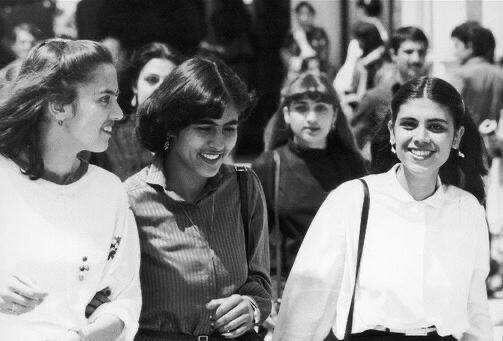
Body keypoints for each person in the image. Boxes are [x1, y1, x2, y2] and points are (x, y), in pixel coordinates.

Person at [273, 77, 491, 341]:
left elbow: (476, 311)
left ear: (456, 136)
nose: (421, 137)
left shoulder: (467, 210)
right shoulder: (352, 200)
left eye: (436, 127)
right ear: (391, 132)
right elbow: (305, 307)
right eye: (409, 124)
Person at [0, 39, 141, 340]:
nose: (118, 113)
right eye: (104, 99)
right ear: (58, 106)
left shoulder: (109, 191)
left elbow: (124, 300)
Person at [125, 56, 271, 340]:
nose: (218, 142)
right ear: (172, 126)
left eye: (229, 127)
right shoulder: (130, 200)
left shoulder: (245, 186)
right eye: (204, 127)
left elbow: (261, 281)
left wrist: (252, 306)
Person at [255, 71, 366, 285]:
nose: (312, 118)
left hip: (342, 286)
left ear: (334, 115)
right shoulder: (268, 166)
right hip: (289, 289)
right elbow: (254, 242)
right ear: (287, 114)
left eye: (321, 108)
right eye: (301, 108)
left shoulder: (353, 165)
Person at [97, 42, 182, 180]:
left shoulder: (188, 138)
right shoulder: (107, 138)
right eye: (152, 80)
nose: (160, 88)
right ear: (135, 86)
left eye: (170, 82)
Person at [353, 26, 430, 167]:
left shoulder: (433, 97)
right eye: (408, 52)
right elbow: (353, 141)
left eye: (421, 52)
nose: (416, 59)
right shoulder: (375, 97)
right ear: (394, 54)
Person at [450, 21, 503, 126]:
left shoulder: (460, 75)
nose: (454, 52)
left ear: (469, 46)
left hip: (464, 138)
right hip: (491, 138)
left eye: (457, 45)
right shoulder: (499, 74)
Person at [333, 21, 386, 120]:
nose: (357, 43)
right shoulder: (363, 59)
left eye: (360, 40)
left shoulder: (379, 65)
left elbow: (364, 97)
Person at [281, 1, 330, 82]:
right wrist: (297, 63)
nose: (305, 17)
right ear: (297, 15)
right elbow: (285, 54)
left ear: (312, 15)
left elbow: (323, 55)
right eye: (301, 13)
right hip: (296, 73)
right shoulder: (292, 35)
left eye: (308, 13)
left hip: (316, 71)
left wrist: (315, 62)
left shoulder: (319, 33)